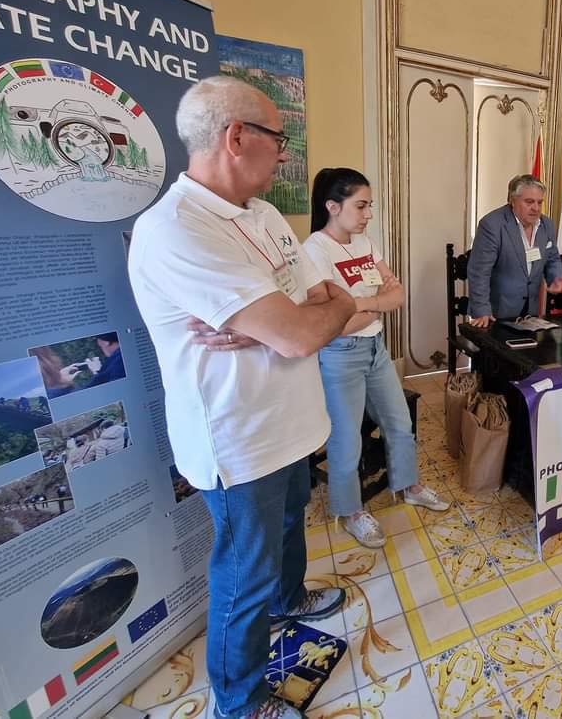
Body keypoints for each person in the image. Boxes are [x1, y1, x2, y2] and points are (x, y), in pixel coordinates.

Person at [128, 76, 361, 719]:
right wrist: (295, 323)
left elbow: (332, 299)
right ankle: (240, 701)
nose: (285, 154)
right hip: (239, 439)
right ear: (236, 137)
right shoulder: (175, 229)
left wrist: (301, 318)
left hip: (291, 423)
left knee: (290, 526)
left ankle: (291, 599)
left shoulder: (263, 216)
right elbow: (300, 332)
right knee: (244, 575)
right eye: (279, 139)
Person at [302, 168, 449, 548]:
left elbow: (398, 296)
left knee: (399, 422)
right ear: (333, 206)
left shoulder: (365, 242)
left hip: (374, 348)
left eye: (370, 206)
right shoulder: (315, 250)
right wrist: (376, 304)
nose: (368, 214)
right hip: (340, 356)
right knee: (346, 438)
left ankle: (409, 485)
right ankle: (350, 511)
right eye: (361, 206)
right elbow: (334, 325)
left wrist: (361, 305)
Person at [467, 174, 562, 326]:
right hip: (496, 313)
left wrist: (555, 276)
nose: (536, 208)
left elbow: (552, 257)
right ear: (513, 200)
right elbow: (479, 271)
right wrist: (481, 310)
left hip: (531, 312)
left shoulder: (547, 225)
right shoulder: (492, 225)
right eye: (529, 202)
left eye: (539, 202)